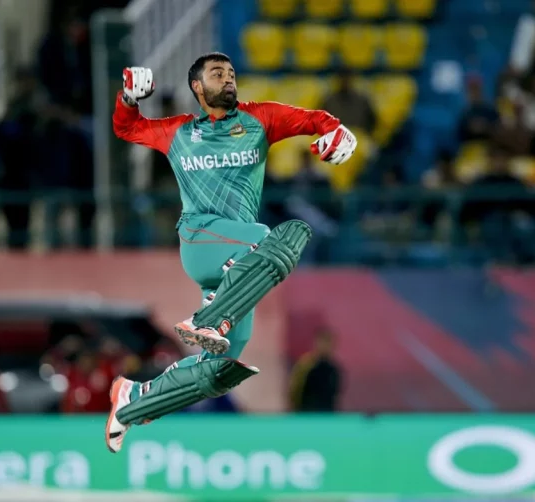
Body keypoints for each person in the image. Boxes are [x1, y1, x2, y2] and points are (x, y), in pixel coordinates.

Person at [104, 52, 357, 453]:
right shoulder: (178, 131)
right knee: (272, 235)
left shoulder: (260, 118)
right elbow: (126, 128)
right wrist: (128, 98)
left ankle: (133, 402)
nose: (228, 79)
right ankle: (212, 319)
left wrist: (338, 132)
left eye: (232, 73)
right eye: (217, 74)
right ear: (197, 87)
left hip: (241, 264)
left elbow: (315, 119)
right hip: (201, 240)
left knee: (221, 370)